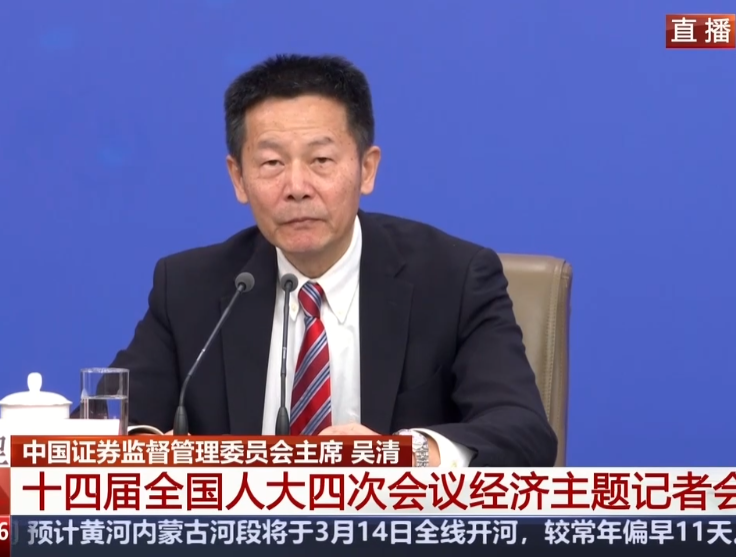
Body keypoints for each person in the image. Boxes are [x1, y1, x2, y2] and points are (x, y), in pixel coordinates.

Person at [110, 54, 557, 467]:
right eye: (271, 163)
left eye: (321, 159)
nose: (297, 187)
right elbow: (105, 424)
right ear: (238, 178)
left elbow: (523, 432)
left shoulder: (453, 280)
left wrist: (403, 455)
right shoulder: (189, 289)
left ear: (367, 169)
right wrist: (151, 452)